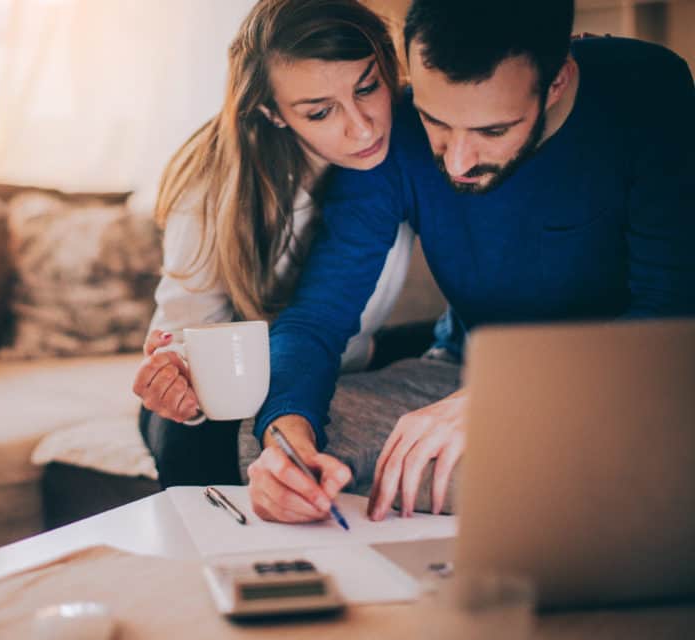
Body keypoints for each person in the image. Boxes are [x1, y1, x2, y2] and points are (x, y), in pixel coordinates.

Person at [246, 0, 695, 523]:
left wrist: (509, 398)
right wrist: (286, 436)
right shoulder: (391, 129)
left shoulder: (645, 91)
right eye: (435, 120)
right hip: (465, 371)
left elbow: (671, 318)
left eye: (492, 131)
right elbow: (318, 315)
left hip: (633, 377)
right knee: (281, 450)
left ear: (556, 82)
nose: (456, 163)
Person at [132, 0, 416, 489]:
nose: (362, 125)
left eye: (367, 88)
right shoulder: (215, 182)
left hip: (355, 355)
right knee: (198, 440)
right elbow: (186, 327)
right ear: (272, 112)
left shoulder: (419, 136)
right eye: (321, 111)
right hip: (237, 382)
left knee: (481, 356)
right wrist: (176, 375)